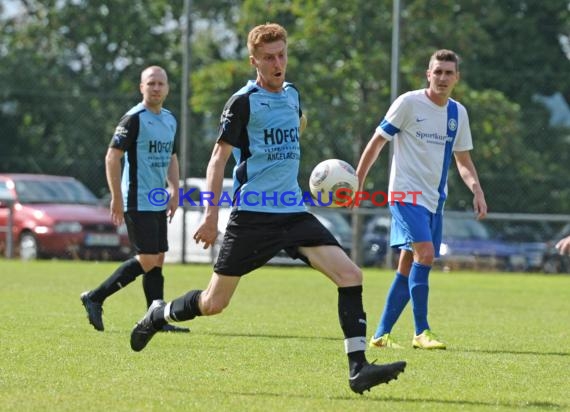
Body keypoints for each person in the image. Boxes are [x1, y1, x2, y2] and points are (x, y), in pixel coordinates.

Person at [129, 23, 406, 394]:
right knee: (214, 303)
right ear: (254, 61)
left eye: (282, 55)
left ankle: (358, 369)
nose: (278, 63)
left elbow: (292, 128)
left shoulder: (292, 95)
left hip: (292, 212)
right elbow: (217, 160)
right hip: (253, 218)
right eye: (269, 57)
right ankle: (157, 314)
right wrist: (211, 216)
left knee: (351, 275)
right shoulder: (242, 102)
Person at [356, 49, 487, 350]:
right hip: (404, 195)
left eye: (448, 73)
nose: (442, 77)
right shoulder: (408, 103)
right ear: (428, 74)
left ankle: (380, 335)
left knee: (408, 264)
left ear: (457, 78)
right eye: (437, 71)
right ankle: (421, 331)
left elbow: (463, 160)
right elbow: (377, 143)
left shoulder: (457, 113)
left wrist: (477, 190)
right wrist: (359, 183)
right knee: (425, 254)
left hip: (434, 201)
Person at [80, 65, 188, 333]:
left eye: (160, 83)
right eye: (150, 83)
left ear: (167, 88)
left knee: (158, 258)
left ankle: (156, 318)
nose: (156, 88)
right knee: (149, 259)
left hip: (156, 199)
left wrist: (174, 189)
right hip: (137, 198)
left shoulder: (170, 119)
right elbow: (112, 157)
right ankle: (95, 296)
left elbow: (172, 157)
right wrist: (116, 197)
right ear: (142, 87)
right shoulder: (134, 119)